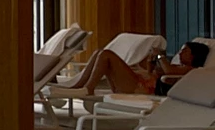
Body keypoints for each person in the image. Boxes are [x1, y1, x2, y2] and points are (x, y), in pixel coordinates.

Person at [69, 39, 208, 95]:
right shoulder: (176, 66)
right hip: (140, 83)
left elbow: (169, 71)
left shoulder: (191, 70)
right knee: (99, 52)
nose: (180, 53)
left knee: (106, 55)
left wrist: (160, 56)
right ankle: (80, 85)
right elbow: (151, 72)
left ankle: (88, 88)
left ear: (194, 56)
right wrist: (151, 61)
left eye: (185, 51)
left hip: (141, 88)